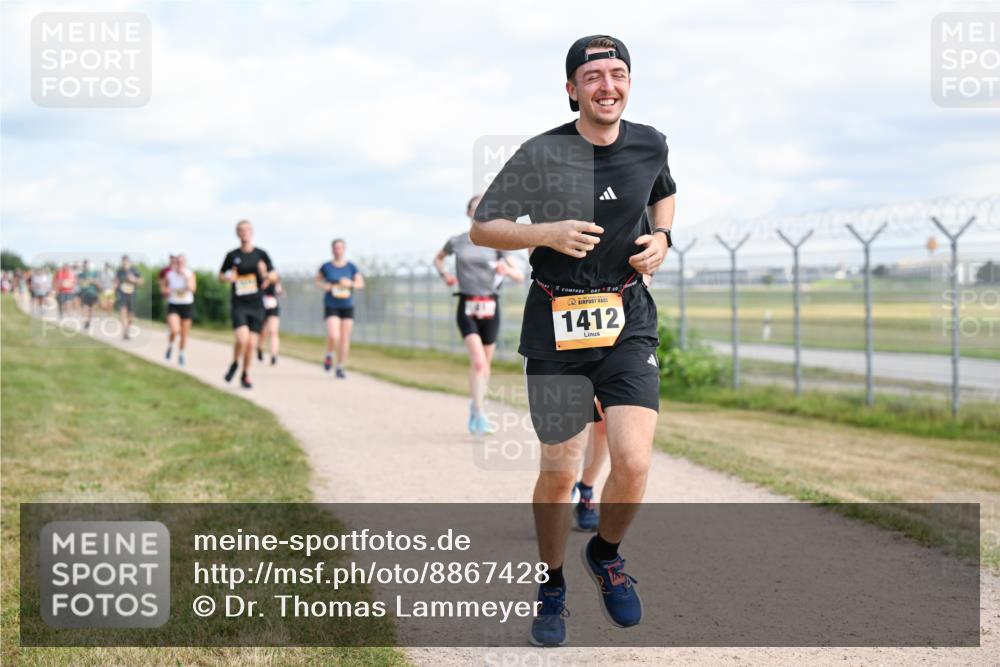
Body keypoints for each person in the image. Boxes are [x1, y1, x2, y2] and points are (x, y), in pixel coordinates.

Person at [470, 35, 676, 646]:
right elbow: (484, 228)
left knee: (634, 461)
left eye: (617, 73)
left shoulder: (650, 142)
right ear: (571, 89)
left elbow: (663, 192)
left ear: (629, 82)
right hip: (556, 325)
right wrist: (548, 233)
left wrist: (663, 240)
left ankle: (606, 555)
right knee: (560, 472)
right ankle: (552, 582)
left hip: (626, 316)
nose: (606, 85)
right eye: (593, 76)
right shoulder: (541, 153)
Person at [435, 195, 525, 434]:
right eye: (475, 209)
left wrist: (507, 270)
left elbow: (519, 275)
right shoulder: (457, 241)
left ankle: (476, 409)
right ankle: (479, 413)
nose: (480, 213)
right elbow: (438, 259)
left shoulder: (496, 243)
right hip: (467, 305)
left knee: (484, 368)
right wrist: (446, 276)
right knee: (479, 362)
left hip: (491, 306)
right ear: (468, 214)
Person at [219, 220, 276, 389]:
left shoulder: (261, 254)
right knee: (242, 339)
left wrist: (265, 274)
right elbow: (221, 275)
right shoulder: (232, 255)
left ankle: (245, 374)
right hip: (239, 304)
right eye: (241, 230)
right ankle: (235, 362)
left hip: (257, 304)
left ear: (252, 232)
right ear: (237, 233)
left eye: (247, 230)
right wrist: (228, 277)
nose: (244, 233)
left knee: (251, 343)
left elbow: (274, 276)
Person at [316, 238, 364, 378]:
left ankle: (341, 366)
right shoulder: (326, 266)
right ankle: (329, 354)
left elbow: (360, 283)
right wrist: (325, 286)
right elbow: (317, 281)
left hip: (347, 305)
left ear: (344, 249)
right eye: (335, 247)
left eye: (340, 247)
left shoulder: (351, 267)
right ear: (332, 249)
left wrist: (350, 283)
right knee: (334, 335)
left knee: (344, 338)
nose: (338, 250)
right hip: (332, 304)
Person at [160, 254, 196, 366]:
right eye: (178, 262)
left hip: (187, 305)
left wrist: (185, 277)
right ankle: (170, 346)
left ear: (185, 263)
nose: (180, 264)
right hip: (173, 305)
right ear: (175, 263)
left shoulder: (190, 273)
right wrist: (165, 291)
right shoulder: (169, 275)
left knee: (184, 334)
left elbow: (193, 289)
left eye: (182, 262)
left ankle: (181, 353)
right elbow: (163, 290)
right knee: (175, 330)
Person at [115, 256, 143, 340]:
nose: (125, 264)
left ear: (129, 262)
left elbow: (141, 281)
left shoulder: (134, 270)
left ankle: (128, 328)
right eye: (123, 262)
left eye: (126, 262)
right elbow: (116, 281)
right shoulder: (119, 271)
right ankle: (125, 331)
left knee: (131, 315)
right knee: (122, 312)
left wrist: (133, 279)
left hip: (131, 294)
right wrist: (115, 286)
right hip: (122, 294)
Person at [257, 273, 282, 366]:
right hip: (261, 307)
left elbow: (279, 291)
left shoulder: (275, 279)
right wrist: (267, 279)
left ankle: (273, 355)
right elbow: (261, 288)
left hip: (273, 308)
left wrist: (276, 282)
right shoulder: (260, 277)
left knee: (273, 331)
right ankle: (259, 348)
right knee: (263, 332)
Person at [77, 260, 101, 330]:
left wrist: (93, 281)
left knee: (92, 309)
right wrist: (84, 282)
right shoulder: (81, 274)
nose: (85, 266)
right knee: (85, 307)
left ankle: (89, 321)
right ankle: (86, 321)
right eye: (84, 265)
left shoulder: (94, 273)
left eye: (86, 265)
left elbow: (98, 284)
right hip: (85, 293)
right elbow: (80, 283)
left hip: (93, 293)